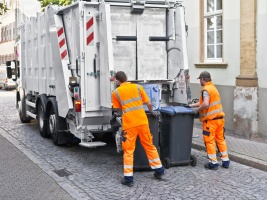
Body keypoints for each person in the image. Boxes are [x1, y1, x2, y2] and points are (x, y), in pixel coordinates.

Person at [112, 71, 164, 187]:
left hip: (129, 125)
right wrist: (152, 112)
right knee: (149, 145)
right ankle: (159, 170)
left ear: (117, 81)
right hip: (142, 122)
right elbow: (149, 103)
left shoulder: (116, 92)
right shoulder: (138, 87)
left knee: (129, 151)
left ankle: (128, 178)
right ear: (127, 78)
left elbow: (117, 109)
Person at [189, 71, 230, 170]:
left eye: (200, 79)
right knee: (220, 139)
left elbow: (206, 104)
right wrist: (191, 105)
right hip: (219, 119)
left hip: (211, 121)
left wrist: (197, 110)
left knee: (209, 141)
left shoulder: (206, 89)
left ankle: (213, 163)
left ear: (202, 79)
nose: (200, 81)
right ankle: (225, 161)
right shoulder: (213, 88)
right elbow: (204, 102)